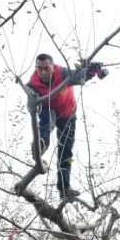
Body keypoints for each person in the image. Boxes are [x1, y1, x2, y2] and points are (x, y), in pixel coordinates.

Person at [26, 53, 106, 199]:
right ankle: (41, 144)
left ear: (53, 67)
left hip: (68, 114)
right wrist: (32, 102)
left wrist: (92, 70)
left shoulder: (62, 72)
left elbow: (80, 77)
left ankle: (64, 187)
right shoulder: (32, 83)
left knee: (66, 150)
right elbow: (31, 104)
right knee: (46, 121)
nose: (43, 72)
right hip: (48, 110)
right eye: (39, 69)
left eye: (46, 68)